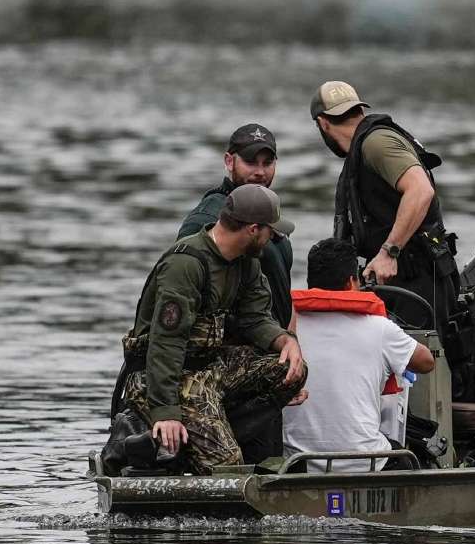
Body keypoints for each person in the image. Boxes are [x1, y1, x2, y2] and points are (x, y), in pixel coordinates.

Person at [117, 184, 307, 474]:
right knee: (227, 467)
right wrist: (165, 412)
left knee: (291, 370)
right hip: (161, 377)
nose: (274, 239)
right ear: (253, 229)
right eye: (272, 231)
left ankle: (208, 434)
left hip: (210, 370)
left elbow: (255, 319)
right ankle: (160, 443)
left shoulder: (247, 263)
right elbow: (166, 344)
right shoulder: (186, 264)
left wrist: (285, 341)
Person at [310, 80, 461, 351]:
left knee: (418, 376)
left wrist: (389, 252)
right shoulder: (364, 147)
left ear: (322, 123)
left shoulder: (376, 144)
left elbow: (420, 190)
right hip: (401, 281)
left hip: (419, 281)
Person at [177, 123, 297, 464]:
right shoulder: (208, 220)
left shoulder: (268, 215)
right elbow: (188, 300)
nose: (260, 172)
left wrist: (286, 345)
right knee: (240, 465)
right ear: (229, 161)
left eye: (267, 162)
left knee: (267, 463)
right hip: (227, 369)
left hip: (263, 359)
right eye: (250, 162)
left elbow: (276, 294)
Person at [283, 238, 435, 472]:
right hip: (365, 461)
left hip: (298, 464)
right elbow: (426, 362)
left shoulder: (287, 330)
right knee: (414, 456)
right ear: (350, 282)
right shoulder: (380, 328)